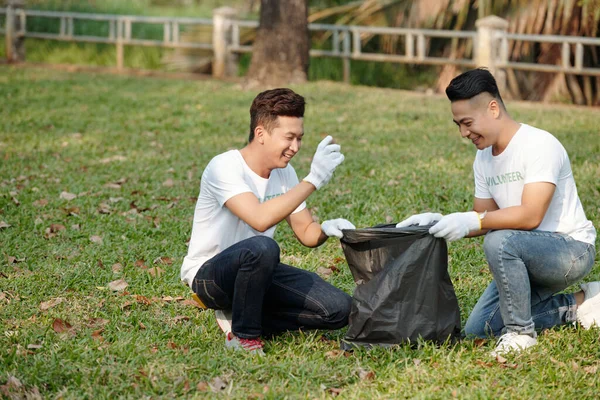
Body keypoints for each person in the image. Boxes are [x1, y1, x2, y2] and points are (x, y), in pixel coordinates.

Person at [397, 68, 598, 356]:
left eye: (467, 123)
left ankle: (520, 334)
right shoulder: (483, 158)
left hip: (569, 251)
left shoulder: (539, 144)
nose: (464, 133)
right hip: (523, 256)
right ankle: (582, 302)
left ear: (493, 109)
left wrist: (475, 220)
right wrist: (439, 222)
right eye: (458, 125)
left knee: (500, 240)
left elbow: (530, 216)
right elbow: (483, 219)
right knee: (481, 328)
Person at [181, 88, 355, 355]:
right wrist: (313, 180)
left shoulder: (285, 174)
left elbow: (307, 233)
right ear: (260, 134)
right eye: (289, 138)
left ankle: (240, 314)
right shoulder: (224, 166)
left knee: (339, 309)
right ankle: (244, 337)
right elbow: (259, 220)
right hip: (210, 278)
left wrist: (327, 229)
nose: (295, 148)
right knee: (263, 246)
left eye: (299, 138)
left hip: (258, 271)